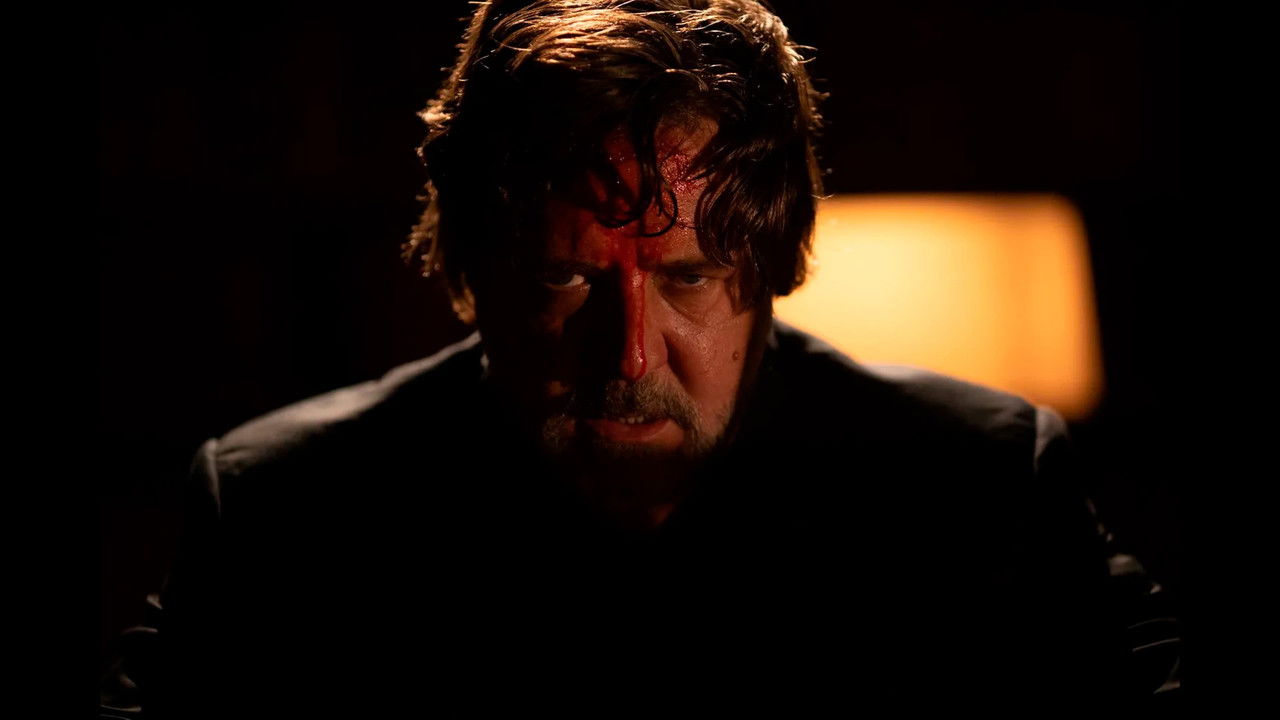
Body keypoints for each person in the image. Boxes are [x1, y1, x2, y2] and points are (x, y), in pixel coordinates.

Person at [100, 0, 1180, 715]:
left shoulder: (977, 487)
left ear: (774, 265)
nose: (626, 355)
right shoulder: (285, 513)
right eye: (566, 278)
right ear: (471, 270)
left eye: (689, 278)